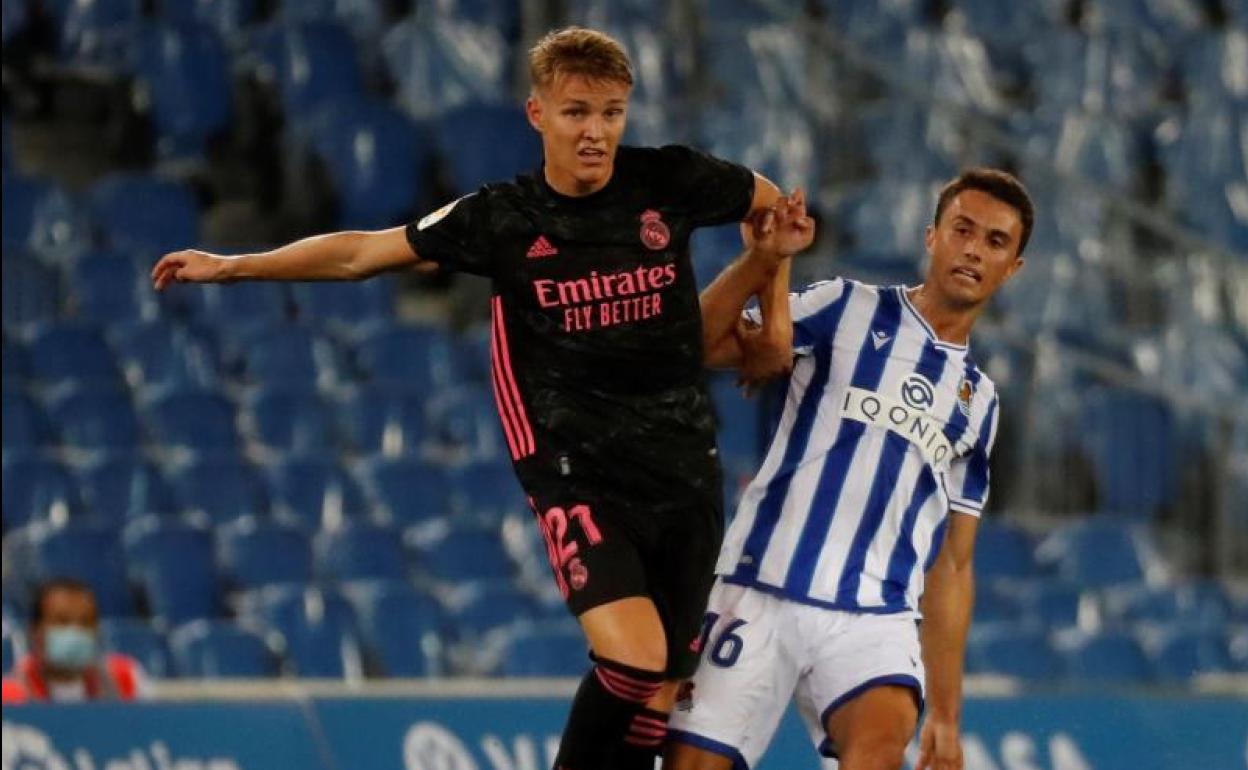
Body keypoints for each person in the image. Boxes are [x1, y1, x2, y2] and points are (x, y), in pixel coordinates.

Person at [151, 26, 813, 770]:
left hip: (686, 466)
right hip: (579, 472)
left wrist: (774, 311)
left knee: (660, 693)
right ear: (537, 114)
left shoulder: (671, 179)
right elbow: (362, 252)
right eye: (576, 112)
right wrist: (233, 266)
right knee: (633, 663)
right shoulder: (503, 218)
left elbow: (774, 212)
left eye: (611, 113)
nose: (595, 133)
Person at [665, 169, 1035, 770]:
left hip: (874, 617)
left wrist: (946, 714)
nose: (973, 249)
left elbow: (954, 563)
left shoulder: (981, 403)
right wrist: (762, 261)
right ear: (931, 237)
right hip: (759, 588)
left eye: (995, 242)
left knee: (878, 754)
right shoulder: (845, 307)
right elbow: (701, 344)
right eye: (962, 229)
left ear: (1012, 267)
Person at [2, 578, 149, 703]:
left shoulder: (126, 679)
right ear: (34, 631)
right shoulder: (10, 695)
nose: (76, 631)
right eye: (62, 621)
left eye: (86, 622)